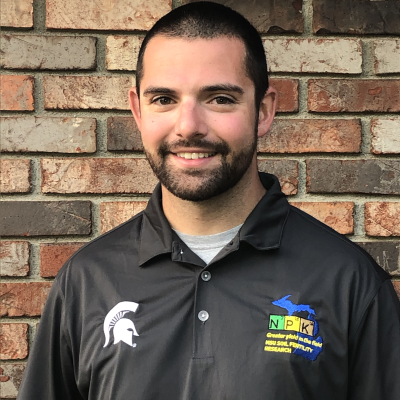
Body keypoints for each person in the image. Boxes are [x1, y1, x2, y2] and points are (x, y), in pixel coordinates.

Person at [18, 2, 400, 400]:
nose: (189, 127)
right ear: (138, 110)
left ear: (264, 110)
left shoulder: (348, 281)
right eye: (164, 99)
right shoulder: (85, 282)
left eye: (219, 98)